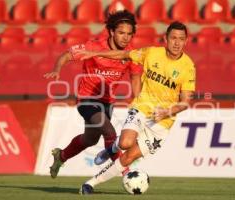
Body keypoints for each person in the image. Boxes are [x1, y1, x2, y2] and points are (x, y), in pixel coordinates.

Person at [75, 21, 196, 195]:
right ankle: (110, 153)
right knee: (125, 142)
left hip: (163, 121)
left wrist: (167, 112)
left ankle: (91, 182)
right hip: (142, 107)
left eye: (181, 39)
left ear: (186, 41)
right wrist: (94, 53)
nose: (177, 43)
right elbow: (122, 54)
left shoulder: (188, 67)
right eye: (173, 38)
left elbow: (185, 102)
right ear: (166, 38)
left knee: (128, 157)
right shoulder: (151, 53)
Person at [43, 10, 142, 179]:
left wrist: (138, 100)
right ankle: (125, 172)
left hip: (107, 102)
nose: (125, 38)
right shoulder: (93, 46)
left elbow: (135, 77)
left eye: (129, 34)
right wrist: (56, 69)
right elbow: (67, 55)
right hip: (87, 99)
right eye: (121, 33)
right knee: (109, 132)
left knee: (90, 140)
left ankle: (61, 156)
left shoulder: (131, 54)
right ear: (111, 32)